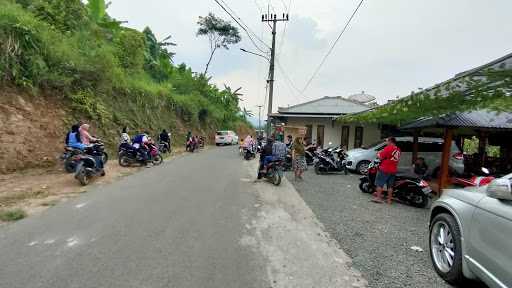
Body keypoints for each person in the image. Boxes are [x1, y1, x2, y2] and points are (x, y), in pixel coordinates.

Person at [372, 137, 401, 204]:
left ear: (390, 141)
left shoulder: (388, 148)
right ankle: (389, 200)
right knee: (390, 186)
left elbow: (380, 157)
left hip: (385, 168)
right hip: (393, 170)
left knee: (379, 184)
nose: (386, 142)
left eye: (387, 141)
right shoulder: (398, 149)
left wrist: (378, 154)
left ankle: (378, 198)